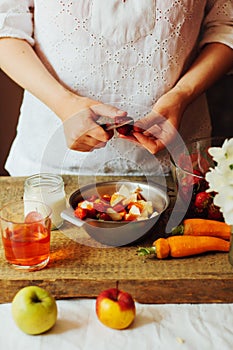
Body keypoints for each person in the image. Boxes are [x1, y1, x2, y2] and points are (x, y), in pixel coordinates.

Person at [0, 1, 232, 177]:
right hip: (50, 166)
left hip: (177, 166)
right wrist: (64, 104)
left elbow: (225, 25)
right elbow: (5, 26)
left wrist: (182, 95)